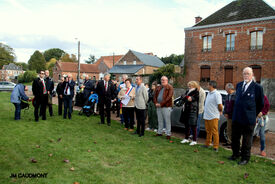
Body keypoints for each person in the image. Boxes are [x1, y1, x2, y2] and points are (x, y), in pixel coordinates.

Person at [230, 67, 264, 165]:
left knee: (247, 140)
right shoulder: (239, 85)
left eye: (248, 73)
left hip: (248, 119)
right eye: (244, 73)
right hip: (237, 117)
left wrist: (253, 113)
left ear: (252, 75)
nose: (246, 75)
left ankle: (245, 158)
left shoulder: (257, 87)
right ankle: (235, 154)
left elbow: (260, 103)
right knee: (235, 138)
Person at [202, 80, 223, 152]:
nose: (207, 86)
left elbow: (220, 105)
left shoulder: (217, 94)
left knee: (214, 131)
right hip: (207, 115)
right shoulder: (209, 93)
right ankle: (207, 143)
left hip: (213, 115)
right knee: (208, 131)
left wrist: (220, 111)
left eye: (208, 85)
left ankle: (216, 146)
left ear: (211, 86)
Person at [180, 81, 199, 146]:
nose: (189, 86)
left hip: (192, 110)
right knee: (186, 125)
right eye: (188, 85)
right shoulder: (187, 91)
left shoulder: (196, 92)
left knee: (193, 126)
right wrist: (186, 97)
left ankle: (194, 140)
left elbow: (190, 99)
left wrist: (186, 97)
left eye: (190, 85)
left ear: (194, 85)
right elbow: (182, 97)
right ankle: (186, 138)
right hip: (186, 110)